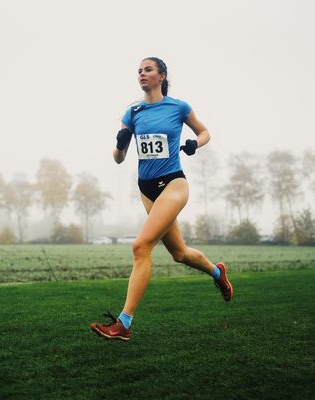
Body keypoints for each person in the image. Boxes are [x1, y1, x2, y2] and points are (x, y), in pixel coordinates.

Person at [90, 57, 234, 341]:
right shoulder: (133, 111)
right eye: (139, 71)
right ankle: (217, 273)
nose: (142, 74)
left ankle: (124, 324)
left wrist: (195, 143)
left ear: (161, 76)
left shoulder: (178, 107)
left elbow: (204, 132)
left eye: (148, 69)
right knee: (179, 254)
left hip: (173, 183)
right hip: (146, 189)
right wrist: (120, 145)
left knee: (140, 246)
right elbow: (118, 159)